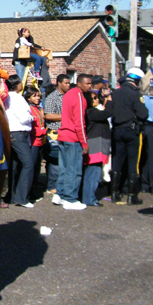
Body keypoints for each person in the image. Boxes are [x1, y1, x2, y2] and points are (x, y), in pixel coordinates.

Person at [109, 68, 149, 205]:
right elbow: (143, 114)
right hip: (132, 131)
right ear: (137, 81)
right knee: (133, 163)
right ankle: (132, 196)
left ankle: (114, 193)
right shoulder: (135, 94)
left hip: (117, 130)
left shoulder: (116, 93)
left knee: (117, 161)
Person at [56, 74, 92, 210]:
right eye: (87, 83)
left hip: (63, 136)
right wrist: (84, 142)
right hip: (73, 137)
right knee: (74, 169)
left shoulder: (69, 94)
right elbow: (79, 122)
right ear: (80, 83)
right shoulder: (78, 96)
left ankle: (60, 194)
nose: (90, 86)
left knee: (64, 168)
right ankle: (70, 198)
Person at [3, 75, 36, 208]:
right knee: (28, 164)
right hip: (18, 133)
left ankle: (12, 195)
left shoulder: (6, 97)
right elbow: (23, 118)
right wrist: (32, 117)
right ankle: (22, 197)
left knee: (14, 166)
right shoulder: (17, 98)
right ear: (16, 84)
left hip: (11, 132)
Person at [82, 89, 112, 207]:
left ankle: (89, 197)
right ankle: (89, 198)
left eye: (97, 97)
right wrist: (109, 101)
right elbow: (107, 113)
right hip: (95, 145)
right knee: (93, 173)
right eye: (94, 98)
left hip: (98, 144)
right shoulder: (91, 112)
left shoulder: (93, 111)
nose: (97, 99)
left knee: (94, 172)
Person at [44, 74, 71, 196]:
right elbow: (48, 115)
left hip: (67, 133)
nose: (68, 85)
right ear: (59, 83)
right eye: (66, 83)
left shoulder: (69, 96)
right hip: (55, 133)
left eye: (69, 83)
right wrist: (66, 117)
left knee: (65, 161)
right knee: (55, 161)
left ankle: (63, 184)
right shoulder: (52, 98)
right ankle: (52, 186)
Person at [24, 85, 47, 203]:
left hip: (40, 142)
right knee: (31, 167)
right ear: (28, 97)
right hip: (33, 141)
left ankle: (35, 189)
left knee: (37, 167)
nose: (37, 98)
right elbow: (32, 128)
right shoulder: (28, 108)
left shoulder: (39, 108)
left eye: (38, 96)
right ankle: (30, 192)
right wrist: (43, 131)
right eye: (34, 96)